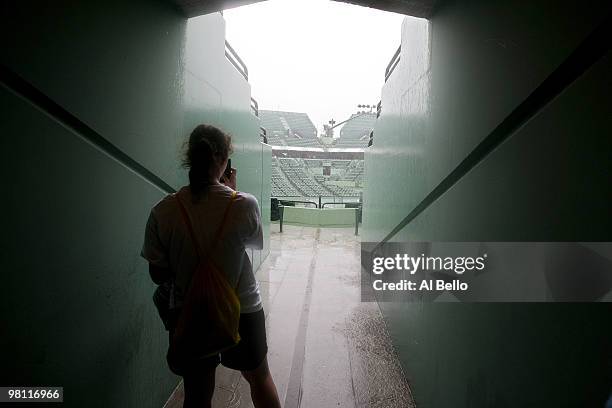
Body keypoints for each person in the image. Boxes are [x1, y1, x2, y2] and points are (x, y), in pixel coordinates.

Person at [141, 124, 281, 408]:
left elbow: (158, 274)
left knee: (197, 395)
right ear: (222, 160)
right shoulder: (243, 204)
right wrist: (232, 194)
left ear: (190, 158)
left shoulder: (163, 210)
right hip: (242, 307)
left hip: (190, 312)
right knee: (259, 377)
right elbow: (253, 245)